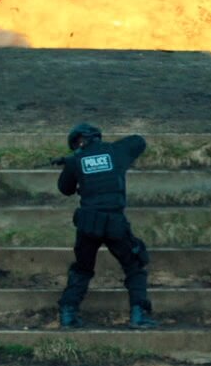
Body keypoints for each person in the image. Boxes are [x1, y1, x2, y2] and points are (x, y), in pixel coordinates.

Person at [54, 123, 156, 329]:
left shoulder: (75, 160)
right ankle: (139, 315)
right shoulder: (117, 151)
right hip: (114, 223)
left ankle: (68, 315)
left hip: (88, 224)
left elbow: (65, 189)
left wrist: (71, 163)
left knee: (82, 269)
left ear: (78, 142)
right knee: (134, 267)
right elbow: (139, 141)